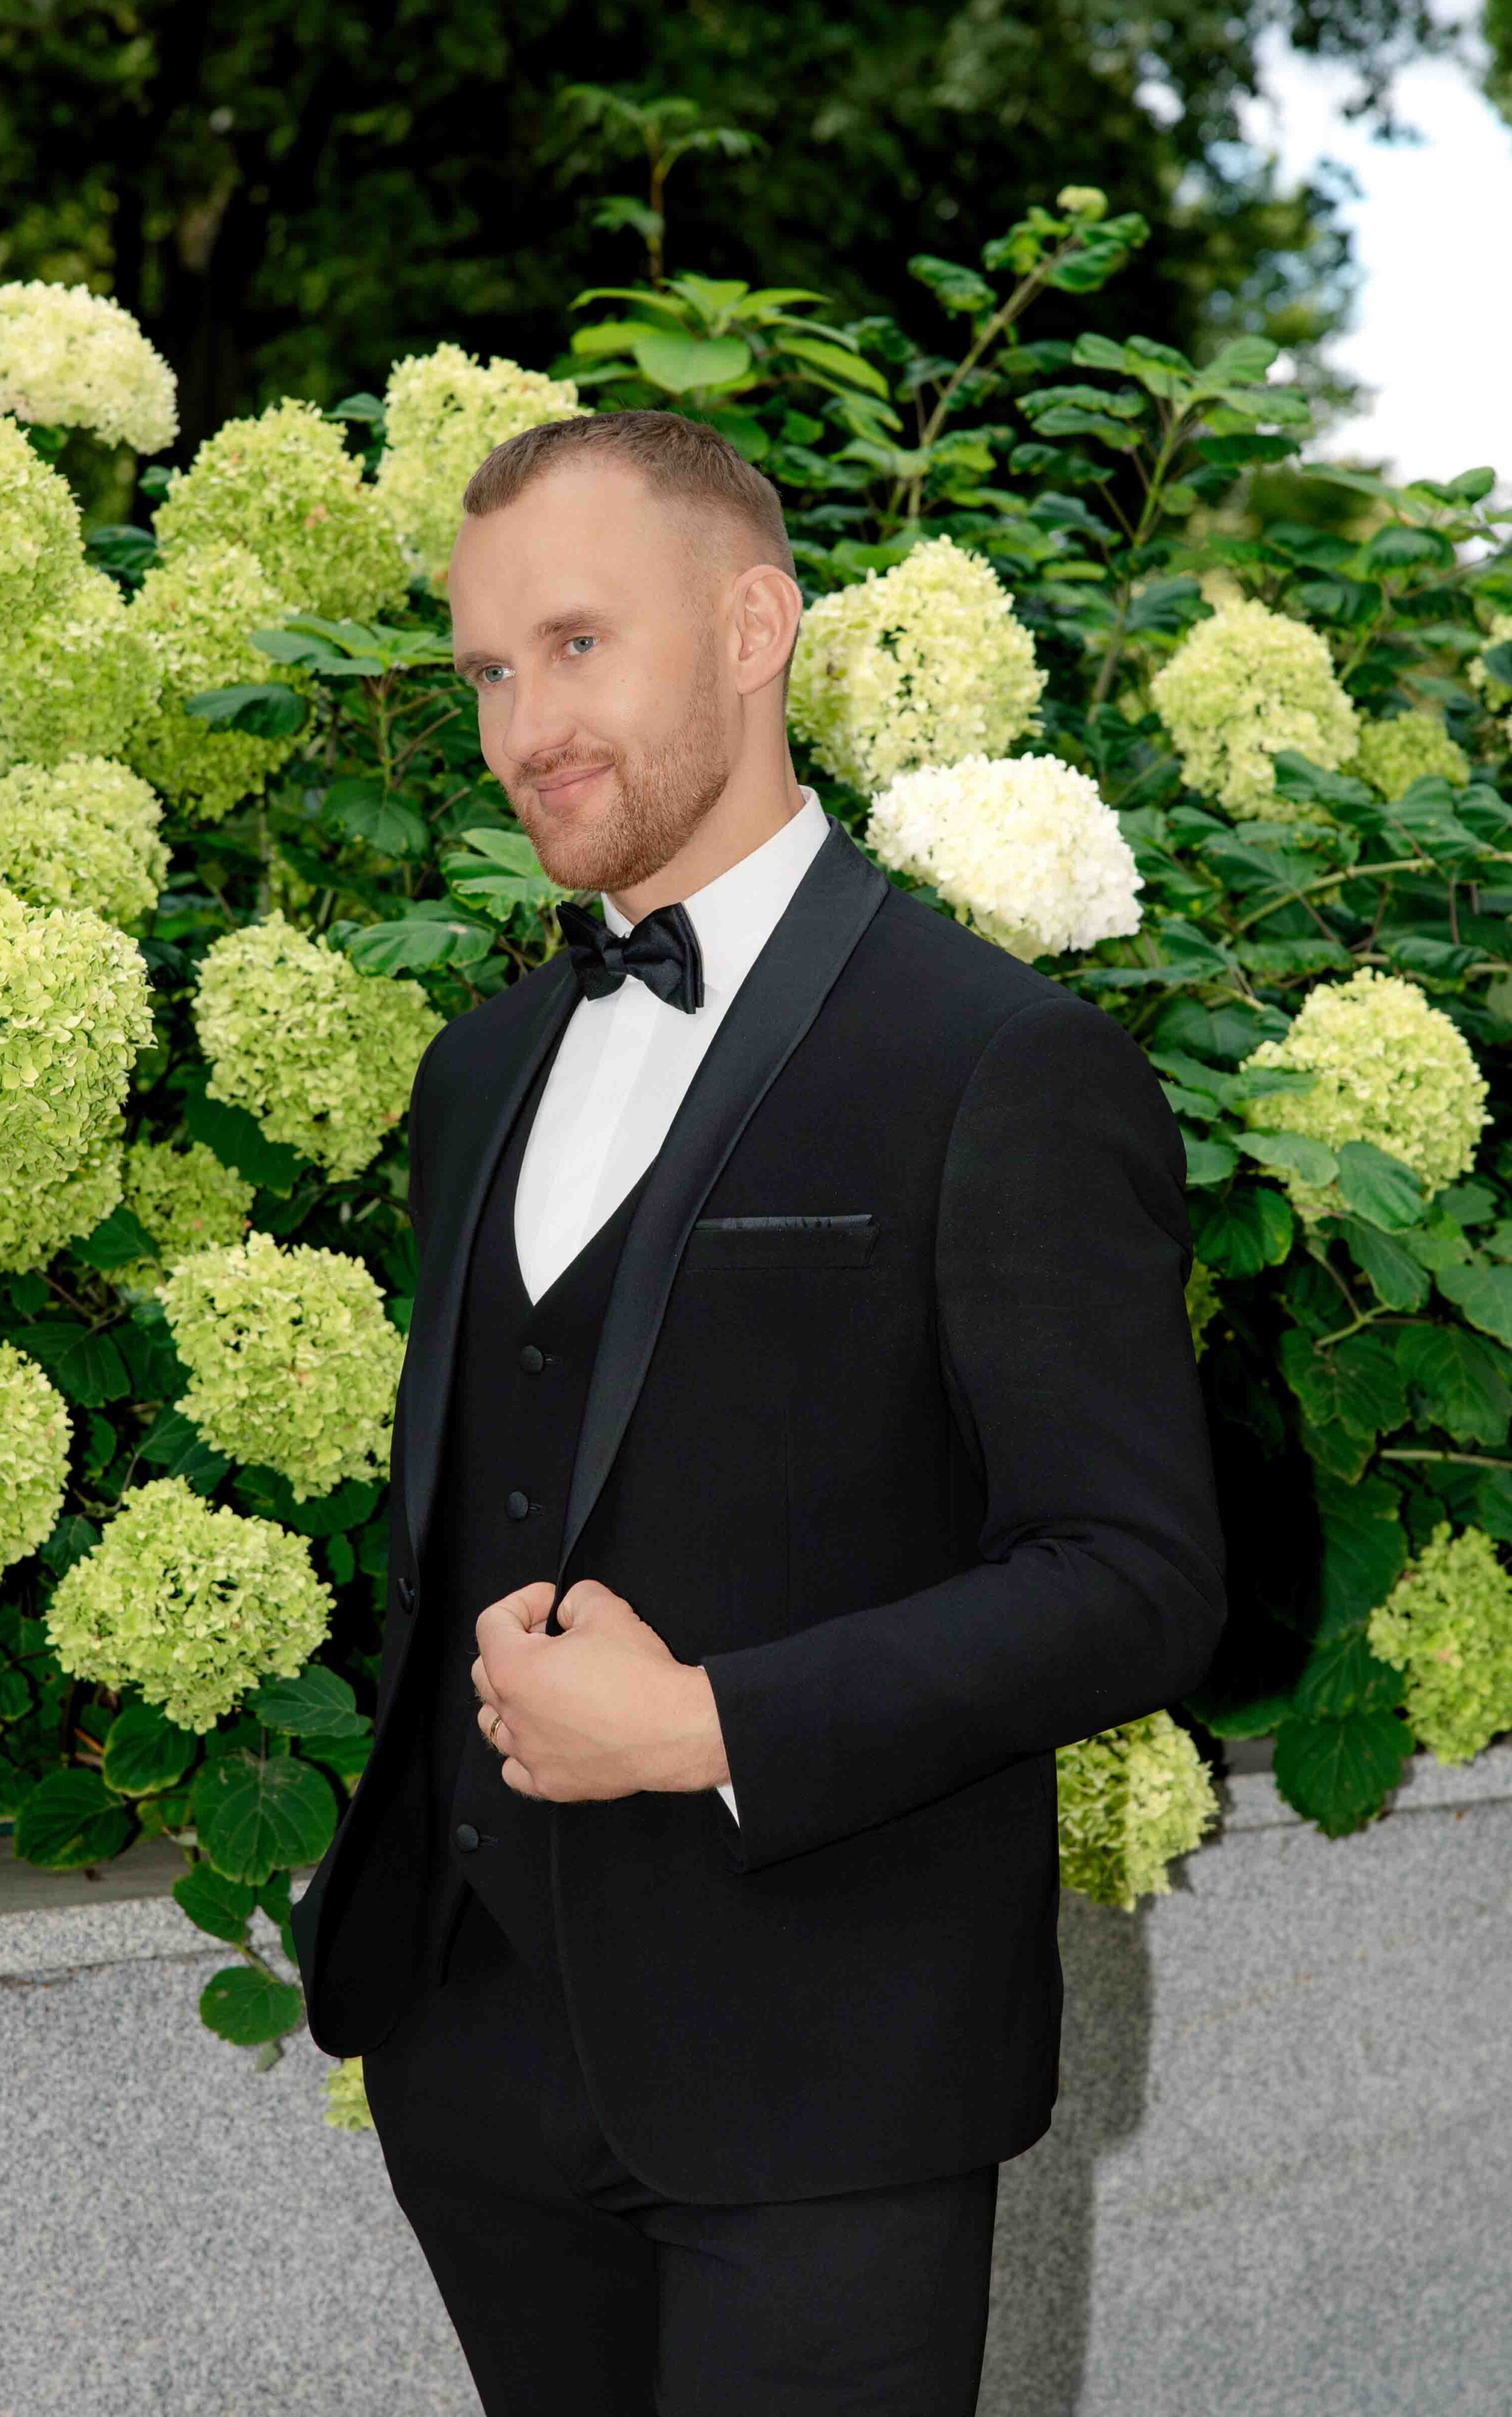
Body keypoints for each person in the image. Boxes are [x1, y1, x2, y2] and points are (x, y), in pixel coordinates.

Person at [290, 407, 1227, 2415]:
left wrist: (705, 1725)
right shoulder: (475, 1073)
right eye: (487, 672)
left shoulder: (998, 1061)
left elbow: (1135, 1578)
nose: (523, 726)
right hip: (472, 2050)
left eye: (576, 644)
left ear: (749, 629)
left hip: (828, 2079)